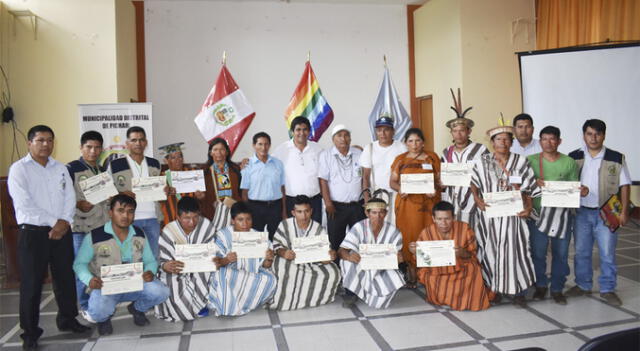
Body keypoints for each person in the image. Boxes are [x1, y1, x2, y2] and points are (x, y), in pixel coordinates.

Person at [8, 125, 90, 350]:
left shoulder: (60, 168)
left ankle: (67, 319)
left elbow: (69, 197)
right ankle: (30, 332)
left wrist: (64, 222)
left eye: (49, 140)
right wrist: (56, 223)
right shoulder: (19, 170)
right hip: (33, 233)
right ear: (29, 143)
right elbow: (24, 204)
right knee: (32, 284)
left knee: (64, 279)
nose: (46, 144)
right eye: (40, 140)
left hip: (62, 232)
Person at [73, 194, 170, 336]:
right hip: (106, 287)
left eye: (130, 211)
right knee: (97, 311)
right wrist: (90, 280)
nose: (125, 216)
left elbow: (150, 261)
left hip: (135, 284)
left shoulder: (139, 233)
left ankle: (137, 309)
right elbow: (79, 264)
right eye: (120, 211)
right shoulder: (94, 236)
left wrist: (149, 271)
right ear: (111, 213)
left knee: (161, 291)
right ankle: (104, 319)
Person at [470, 120, 540, 307]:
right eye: (499, 139)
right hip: (491, 217)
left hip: (514, 216)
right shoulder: (482, 162)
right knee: (490, 250)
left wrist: (528, 207)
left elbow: (529, 189)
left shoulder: (521, 161)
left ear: (512, 142)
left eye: (507, 139)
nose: (503, 143)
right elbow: (473, 183)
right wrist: (477, 199)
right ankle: (496, 289)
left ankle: (518, 291)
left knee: (518, 252)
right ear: (492, 142)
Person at [566, 119, 631, 306]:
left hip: (607, 213)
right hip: (581, 213)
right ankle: (583, 285)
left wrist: (624, 211)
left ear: (604, 135)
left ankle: (608, 289)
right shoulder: (574, 157)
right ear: (584, 135)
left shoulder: (616, 157)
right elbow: (567, 183)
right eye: (589, 133)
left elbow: (624, 185)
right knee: (581, 252)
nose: (593, 138)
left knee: (607, 252)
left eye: (597, 134)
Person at [527, 126, 583, 305]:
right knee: (538, 253)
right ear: (539, 140)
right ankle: (541, 286)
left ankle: (558, 288)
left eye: (552, 139)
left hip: (562, 215)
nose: (548, 143)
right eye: (544, 139)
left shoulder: (568, 162)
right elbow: (522, 186)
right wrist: (534, 182)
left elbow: (573, 188)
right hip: (537, 215)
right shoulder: (530, 161)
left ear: (559, 141)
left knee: (561, 254)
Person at [409, 201, 493, 311]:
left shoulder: (464, 228)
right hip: (436, 270)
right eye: (439, 219)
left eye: (447, 219)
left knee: (474, 269)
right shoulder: (426, 233)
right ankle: (445, 298)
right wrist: (415, 252)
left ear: (453, 217)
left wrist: (463, 252)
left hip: (461, 267)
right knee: (428, 275)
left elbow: (472, 255)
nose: (443, 223)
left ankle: (466, 301)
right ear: (433, 218)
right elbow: (421, 261)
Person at [66, 131, 111, 319]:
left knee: (101, 266)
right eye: (89, 147)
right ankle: (84, 306)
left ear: (102, 149)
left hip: (101, 227)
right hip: (81, 229)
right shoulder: (71, 168)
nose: (93, 151)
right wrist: (77, 204)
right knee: (82, 269)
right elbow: (63, 197)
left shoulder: (102, 170)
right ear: (81, 147)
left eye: (97, 147)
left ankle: (99, 302)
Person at [389, 128, 441, 289]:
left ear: (423, 142)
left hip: (428, 205)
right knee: (409, 235)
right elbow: (392, 182)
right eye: (410, 141)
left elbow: (440, 181)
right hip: (407, 206)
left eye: (418, 140)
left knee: (429, 235)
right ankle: (411, 271)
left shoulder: (432, 157)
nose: (414, 144)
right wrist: (400, 189)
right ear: (405, 143)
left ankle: (428, 272)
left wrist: (435, 190)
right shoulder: (400, 159)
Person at [269, 195, 341, 310]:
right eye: (299, 212)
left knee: (333, 272)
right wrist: (284, 253)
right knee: (280, 267)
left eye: (306, 211)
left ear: (311, 211)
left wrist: (330, 256)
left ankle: (311, 299)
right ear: (293, 212)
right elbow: (276, 246)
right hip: (289, 260)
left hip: (312, 263)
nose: (303, 216)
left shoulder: (318, 228)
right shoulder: (284, 225)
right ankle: (286, 300)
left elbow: (325, 254)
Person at [207, 202, 277, 316]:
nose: (245, 224)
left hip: (251, 273)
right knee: (221, 275)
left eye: (248, 219)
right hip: (230, 273)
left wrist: (269, 259)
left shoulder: (258, 236)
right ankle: (230, 305)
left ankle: (244, 302)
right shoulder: (223, 235)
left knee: (271, 279)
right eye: (240, 220)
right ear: (233, 221)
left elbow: (266, 265)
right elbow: (214, 263)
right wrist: (226, 260)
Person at [109, 126, 169, 258]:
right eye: (134, 140)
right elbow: (107, 194)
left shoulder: (155, 163)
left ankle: (151, 279)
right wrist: (121, 195)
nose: (138, 143)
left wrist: (164, 191)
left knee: (153, 257)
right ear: (127, 143)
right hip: (128, 219)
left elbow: (161, 193)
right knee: (130, 258)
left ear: (146, 143)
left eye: (141, 140)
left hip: (153, 218)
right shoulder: (116, 165)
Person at [155, 197, 217, 322]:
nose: (192, 222)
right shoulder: (169, 231)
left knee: (215, 272)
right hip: (176, 273)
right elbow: (162, 260)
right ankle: (193, 304)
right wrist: (165, 265)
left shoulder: (206, 226)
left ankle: (201, 302)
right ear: (178, 217)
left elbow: (213, 250)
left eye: (195, 217)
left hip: (201, 270)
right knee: (179, 310)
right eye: (186, 218)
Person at [339, 198, 405, 309]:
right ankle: (351, 294)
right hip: (361, 265)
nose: (378, 216)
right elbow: (341, 251)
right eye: (374, 212)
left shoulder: (394, 232)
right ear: (367, 213)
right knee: (346, 263)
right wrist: (349, 256)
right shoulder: (359, 227)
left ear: (386, 213)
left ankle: (371, 294)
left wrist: (399, 259)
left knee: (380, 302)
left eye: (381, 212)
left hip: (382, 268)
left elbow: (399, 256)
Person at [441, 94, 488, 226]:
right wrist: (442, 182)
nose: (458, 134)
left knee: (472, 235)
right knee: (455, 234)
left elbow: (489, 174)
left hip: (474, 201)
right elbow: (442, 175)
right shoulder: (447, 152)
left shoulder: (480, 149)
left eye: (462, 130)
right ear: (451, 133)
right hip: (452, 201)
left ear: (469, 131)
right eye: (455, 131)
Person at [319, 124, 366, 254]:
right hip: (335, 207)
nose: (343, 139)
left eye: (346, 135)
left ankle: (357, 270)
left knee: (360, 240)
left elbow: (364, 178)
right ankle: (337, 270)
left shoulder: (359, 153)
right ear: (333, 139)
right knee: (335, 241)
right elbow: (323, 180)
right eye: (339, 135)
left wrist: (367, 200)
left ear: (350, 139)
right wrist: (328, 203)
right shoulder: (326, 155)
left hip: (357, 206)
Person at [273, 116, 324, 223]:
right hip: (291, 201)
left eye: (305, 129)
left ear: (309, 131)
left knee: (314, 235)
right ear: (292, 132)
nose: (302, 133)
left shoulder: (317, 149)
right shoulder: (282, 150)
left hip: (314, 201)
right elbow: (268, 164)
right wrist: (248, 161)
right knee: (294, 235)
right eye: (298, 130)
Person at [359, 115, 407, 225]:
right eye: (380, 130)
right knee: (378, 227)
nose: (383, 133)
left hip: (397, 195)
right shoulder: (369, 148)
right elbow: (365, 176)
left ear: (393, 131)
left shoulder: (401, 147)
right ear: (376, 132)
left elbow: (406, 172)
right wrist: (367, 199)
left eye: (386, 130)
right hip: (377, 195)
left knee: (398, 227)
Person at [241, 132, 286, 239]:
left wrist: (284, 211)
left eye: (266, 144)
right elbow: (244, 192)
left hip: (275, 207)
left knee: (276, 238)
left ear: (270, 145)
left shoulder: (278, 163)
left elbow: (282, 188)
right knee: (256, 238)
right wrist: (247, 212)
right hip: (255, 207)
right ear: (254, 145)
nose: (263, 147)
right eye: (260, 144)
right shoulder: (248, 165)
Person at [158, 142, 208, 227]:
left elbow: (201, 199)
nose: (178, 160)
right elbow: (159, 200)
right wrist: (165, 193)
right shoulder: (162, 177)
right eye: (173, 157)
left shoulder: (192, 174)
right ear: (166, 160)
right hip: (171, 221)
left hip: (191, 221)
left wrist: (201, 196)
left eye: (180, 156)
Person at [206, 137, 243, 230]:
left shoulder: (235, 169)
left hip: (233, 214)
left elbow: (240, 192)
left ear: (227, 152)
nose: (219, 153)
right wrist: (201, 196)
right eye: (215, 149)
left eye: (222, 149)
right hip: (213, 215)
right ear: (211, 153)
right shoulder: (205, 172)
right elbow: (202, 198)